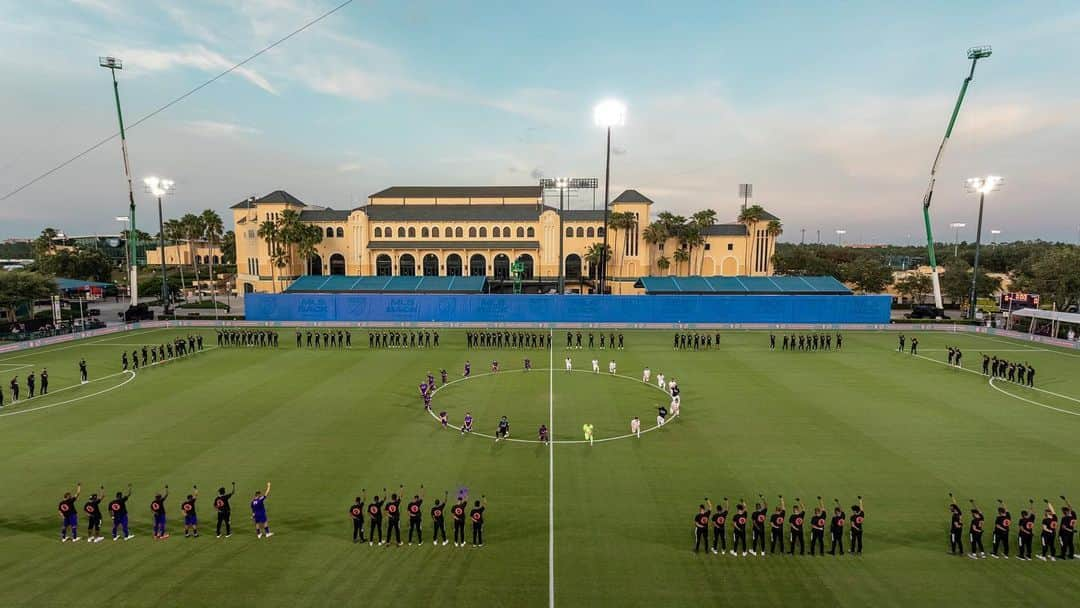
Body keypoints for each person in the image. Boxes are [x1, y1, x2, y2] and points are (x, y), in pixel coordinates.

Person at [1059, 496, 1076, 560]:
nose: (1062, 512)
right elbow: (1070, 507)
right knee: (1071, 544)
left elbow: (1063, 527)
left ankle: (1063, 555)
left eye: (1063, 511)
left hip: (1066, 533)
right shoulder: (1074, 515)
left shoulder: (1065, 518)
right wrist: (1065, 500)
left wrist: (1069, 530)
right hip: (1071, 532)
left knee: (1064, 544)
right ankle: (1071, 555)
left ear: (1065, 512)